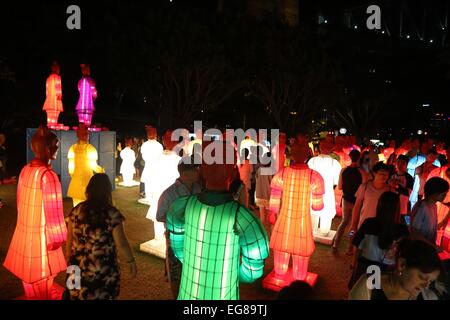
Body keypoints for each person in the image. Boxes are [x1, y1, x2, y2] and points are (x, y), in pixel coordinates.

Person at [166, 140, 269, 300]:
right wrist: (237, 274)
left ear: (202, 171)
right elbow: (253, 268)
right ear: (232, 171)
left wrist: (187, 258)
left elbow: (176, 234)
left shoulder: (184, 205)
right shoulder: (240, 216)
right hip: (223, 292)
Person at [3, 126, 67, 299]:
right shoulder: (49, 175)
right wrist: (59, 237)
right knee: (45, 273)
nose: (57, 149)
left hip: (25, 231)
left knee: (28, 274)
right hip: (44, 238)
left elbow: (19, 203)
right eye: (55, 145)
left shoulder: (25, 170)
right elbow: (55, 214)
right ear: (46, 149)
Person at [64, 173, 137, 300]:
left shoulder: (76, 210)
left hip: (75, 267)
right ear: (107, 191)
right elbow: (121, 243)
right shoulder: (112, 214)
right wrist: (131, 260)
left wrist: (68, 257)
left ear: (89, 190)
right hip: (101, 270)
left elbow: (69, 239)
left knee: (74, 296)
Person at [268, 142, 325, 281]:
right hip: (302, 224)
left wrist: (272, 213)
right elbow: (317, 206)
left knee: (281, 250)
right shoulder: (314, 176)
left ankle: (280, 272)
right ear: (308, 155)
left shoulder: (282, 174)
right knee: (301, 252)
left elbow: (274, 200)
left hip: (284, 222)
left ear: (290, 154)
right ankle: (299, 276)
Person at [156, 155, 201, 299]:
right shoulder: (169, 193)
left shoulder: (199, 189)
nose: (198, 172)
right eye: (195, 169)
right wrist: (177, 218)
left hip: (195, 238)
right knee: (176, 275)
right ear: (184, 173)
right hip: (176, 239)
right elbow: (159, 215)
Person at [348, 192, 409, 289]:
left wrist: (354, 264)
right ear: (397, 209)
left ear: (379, 205)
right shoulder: (402, 230)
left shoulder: (369, 223)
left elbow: (358, 246)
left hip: (366, 268)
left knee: (363, 294)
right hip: (388, 271)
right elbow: (403, 255)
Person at [349, 238, 442, 300]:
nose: (426, 286)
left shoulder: (427, 297)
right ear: (401, 265)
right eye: (422, 277)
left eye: (430, 281)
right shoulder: (370, 285)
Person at [333, 149, 368, 252]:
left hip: (346, 200)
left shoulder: (343, 170)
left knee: (344, 222)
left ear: (350, 157)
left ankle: (336, 244)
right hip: (357, 202)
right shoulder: (362, 172)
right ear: (359, 158)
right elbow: (364, 188)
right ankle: (349, 247)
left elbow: (339, 187)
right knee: (354, 224)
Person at [67, 124, 105, 207]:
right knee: (87, 206)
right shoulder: (90, 148)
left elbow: (70, 169)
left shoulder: (72, 148)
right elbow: (93, 165)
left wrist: (75, 176)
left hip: (75, 182)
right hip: (87, 181)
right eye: (86, 133)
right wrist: (101, 171)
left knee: (77, 206)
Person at [350, 162, 392, 235]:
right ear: (374, 173)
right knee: (358, 244)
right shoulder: (365, 187)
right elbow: (357, 206)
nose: (384, 176)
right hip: (364, 223)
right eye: (381, 173)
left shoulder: (390, 190)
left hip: (380, 226)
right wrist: (353, 225)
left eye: (386, 174)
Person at [410, 177, 450, 245]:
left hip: (427, 247)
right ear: (434, 193)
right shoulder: (422, 207)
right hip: (419, 247)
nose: (445, 196)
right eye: (443, 194)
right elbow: (414, 231)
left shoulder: (434, 206)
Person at [139, 125, 163, 204]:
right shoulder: (159, 145)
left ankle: (148, 196)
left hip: (148, 166)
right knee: (154, 182)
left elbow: (143, 155)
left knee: (148, 182)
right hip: (156, 167)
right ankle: (153, 197)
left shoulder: (144, 145)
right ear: (155, 135)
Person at [389, 155, 414, 221]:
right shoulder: (392, 175)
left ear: (406, 165)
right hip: (392, 205)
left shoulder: (409, 178)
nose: (400, 164)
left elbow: (407, 193)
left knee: (405, 223)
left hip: (403, 207)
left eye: (403, 163)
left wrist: (396, 186)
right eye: (398, 162)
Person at [42, 61, 64, 128]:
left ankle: (50, 127)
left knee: (50, 120)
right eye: (58, 69)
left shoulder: (48, 78)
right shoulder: (57, 77)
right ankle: (53, 127)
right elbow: (58, 91)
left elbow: (47, 91)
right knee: (55, 117)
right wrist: (59, 96)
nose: (59, 70)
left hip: (49, 101)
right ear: (55, 69)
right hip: (55, 103)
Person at [255, 152, 273, 226]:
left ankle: (262, 232)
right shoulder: (271, 170)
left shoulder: (259, 170)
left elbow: (256, 179)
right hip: (268, 195)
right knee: (269, 216)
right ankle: (269, 233)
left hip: (259, 195)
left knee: (262, 216)